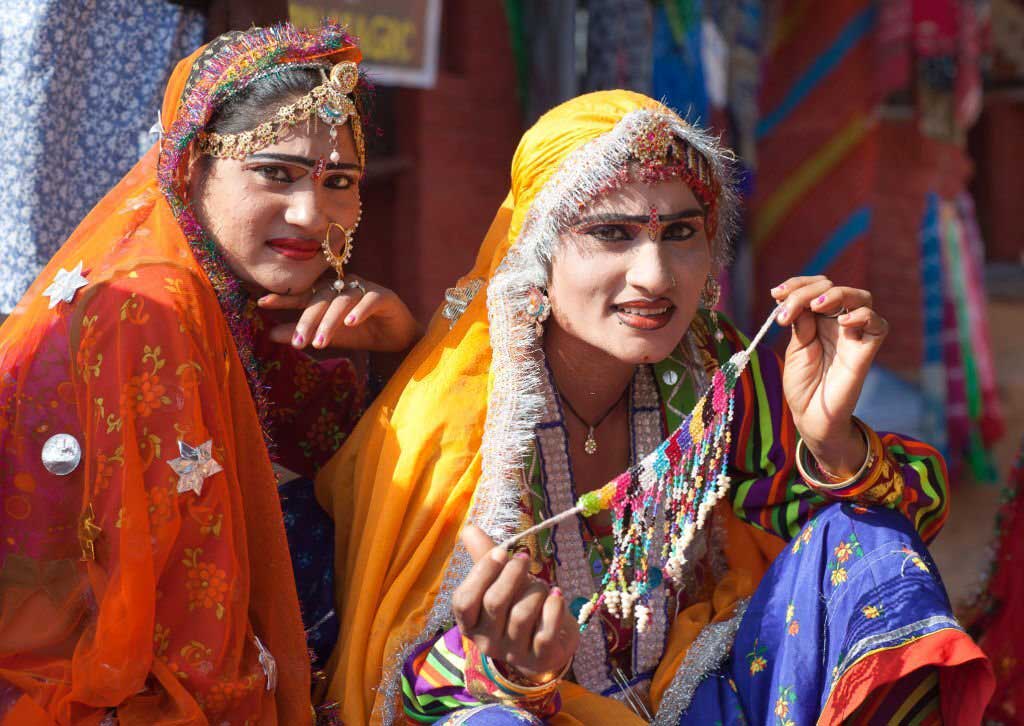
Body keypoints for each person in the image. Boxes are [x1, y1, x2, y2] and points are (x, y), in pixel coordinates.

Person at [315, 91, 993, 724]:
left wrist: (830, 441)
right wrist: (516, 673)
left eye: (679, 234)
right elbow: (399, 688)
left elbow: (905, 531)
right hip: (534, 708)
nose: (655, 276)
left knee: (866, 541)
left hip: (697, 698)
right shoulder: (461, 419)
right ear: (537, 251)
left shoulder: (712, 367)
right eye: (613, 234)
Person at [0, 23, 419, 723]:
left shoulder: (231, 304)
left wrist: (399, 351)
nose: (311, 215)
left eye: (338, 182)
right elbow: (177, 628)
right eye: (275, 173)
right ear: (193, 165)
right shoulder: (152, 308)